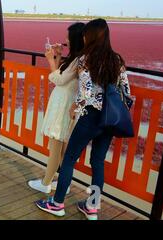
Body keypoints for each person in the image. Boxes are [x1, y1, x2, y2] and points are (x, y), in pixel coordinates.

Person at [36, 18, 132, 220]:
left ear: (90, 36)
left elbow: (86, 90)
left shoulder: (85, 59)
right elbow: (126, 92)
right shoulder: (117, 60)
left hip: (90, 116)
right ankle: (92, 207)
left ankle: (57, 203)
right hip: (110, 120)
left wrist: (76, 106)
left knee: (69, 158)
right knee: (98, 162)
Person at [28, 22, 85, 194]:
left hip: (64, 105)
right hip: (67, 103)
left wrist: (50, 60)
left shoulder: (77, 60)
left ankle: (46, 183)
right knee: (62, 147)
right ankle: (64, 184)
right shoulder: (78, 58)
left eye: (68, 36)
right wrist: (58, 57)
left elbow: (59, 80)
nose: (65, 39)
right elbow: (62, 75)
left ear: (75, 39)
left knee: (56, 146)